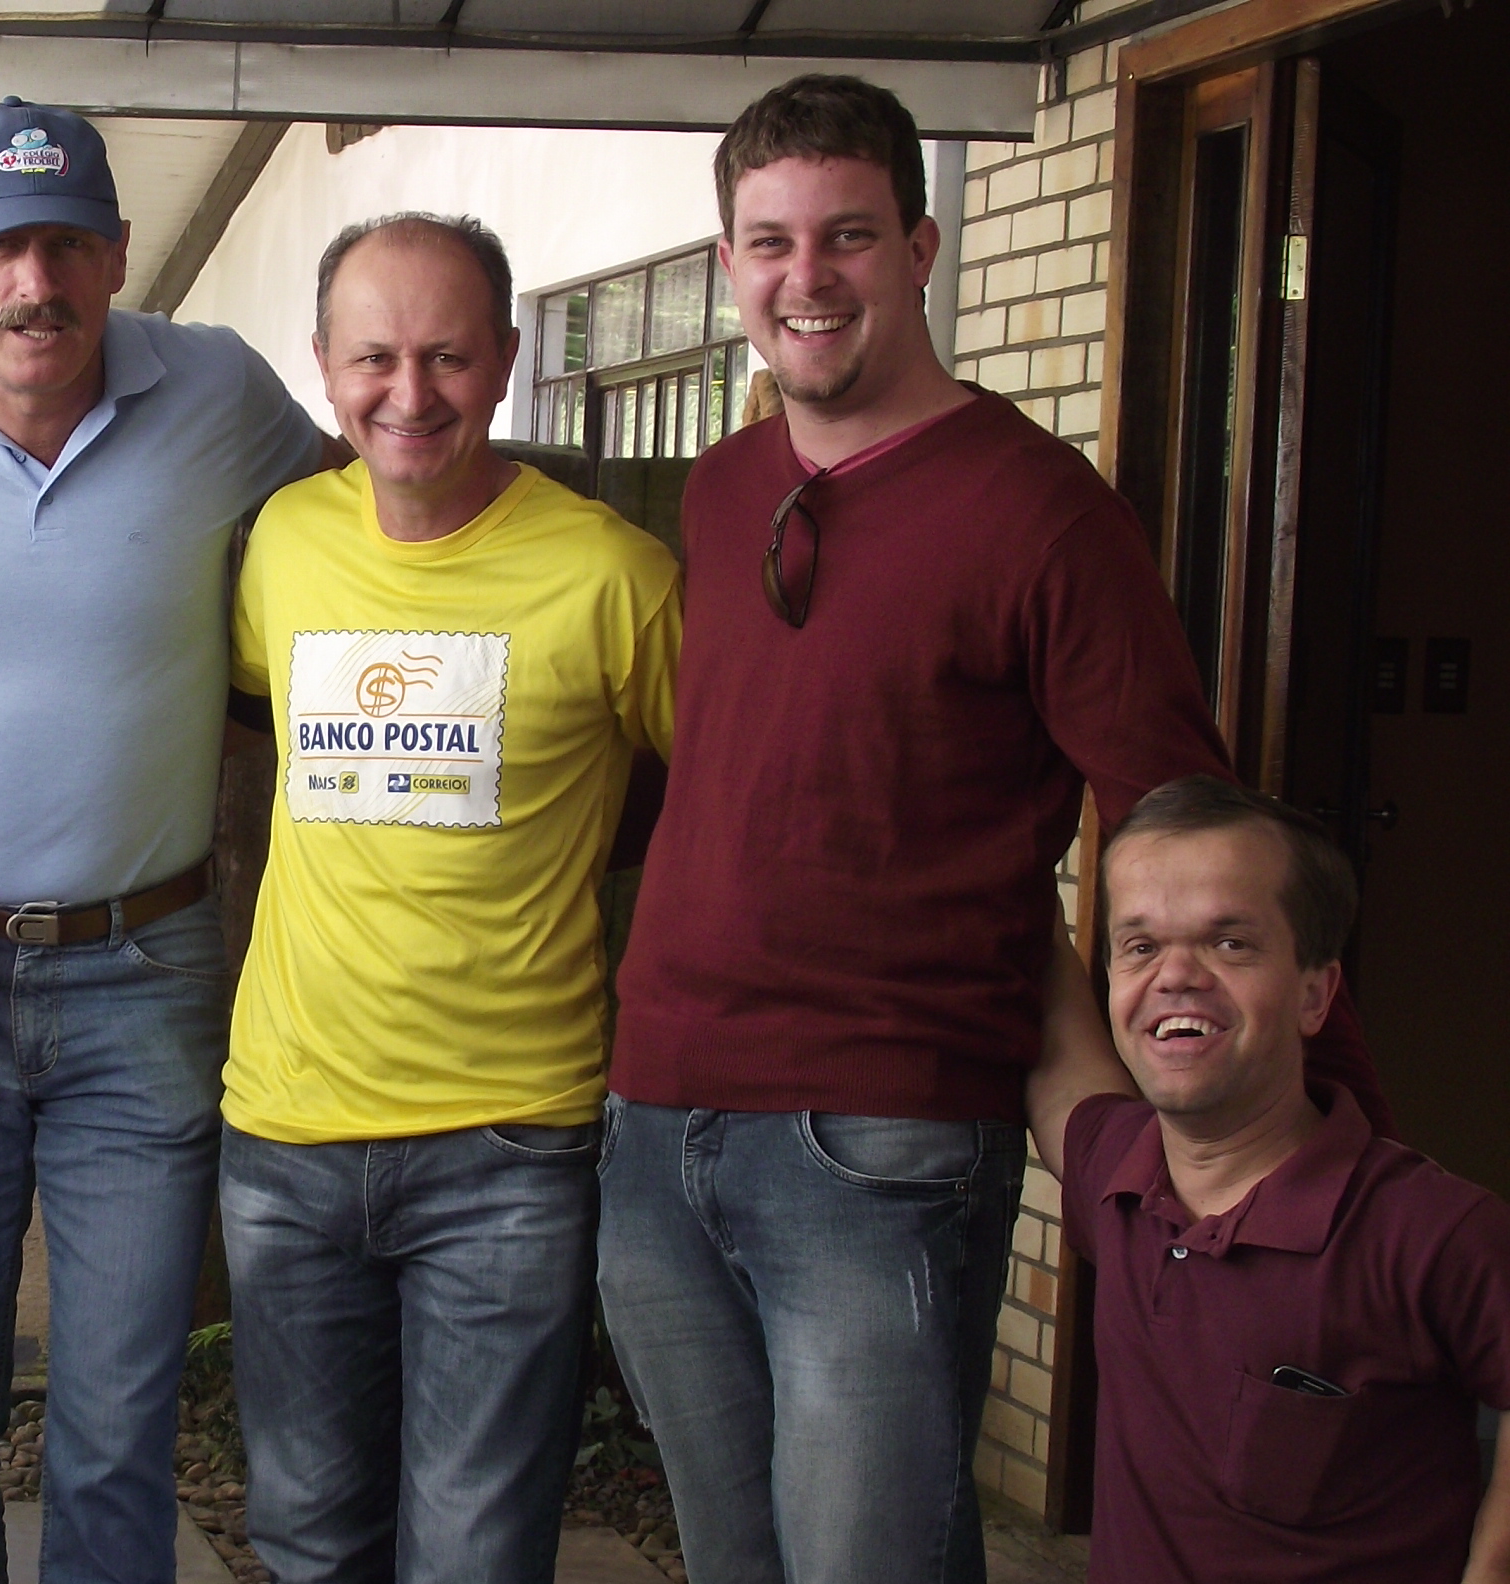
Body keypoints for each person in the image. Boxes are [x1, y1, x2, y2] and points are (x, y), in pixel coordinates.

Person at [591, 73, 1391, 1584]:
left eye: (847, 236)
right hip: (655, 1114)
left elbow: (1179, 824)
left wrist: (1331, 1145)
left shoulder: (1041, 511)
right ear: (729, 266)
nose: (807, 278)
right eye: (769, 242)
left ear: (920, 248)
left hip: (877, 1133)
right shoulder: (720, 488)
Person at [0, 98, 333, 1584]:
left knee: (118, 1417)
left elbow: (370, 519)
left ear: (117, 254)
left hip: (146, 973)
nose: (32, 283)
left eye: (64, 245)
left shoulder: (220, 390)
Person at [218, 213, 677, 1584]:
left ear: (507, 359)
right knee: (306, 1537)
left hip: (508, 1146)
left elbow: (722, 795)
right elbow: (254, 730)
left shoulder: (613, 574)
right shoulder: (283, 541)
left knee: (476, 1550)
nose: (408, 394)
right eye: (374, 358)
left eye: (447, 357)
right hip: (287, 1131)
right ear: (322, 363)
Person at [1025, 776, 1510, 1583]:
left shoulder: (1427, 1230)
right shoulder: (1118, 1175)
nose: (1175, 975)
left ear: (1315, 994)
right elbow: (1055, 1041)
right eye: (1140, 946)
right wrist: (1010, 860)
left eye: (1229, 943)